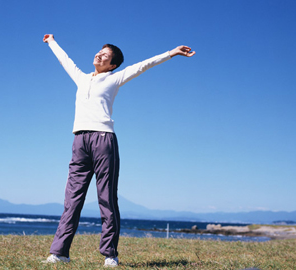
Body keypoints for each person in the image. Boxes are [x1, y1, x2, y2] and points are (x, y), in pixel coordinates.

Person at [42, 34, 195, 267]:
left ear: (112, 64)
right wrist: (52, 41)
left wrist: (172, 52)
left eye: (105, 55)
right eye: (99, 51)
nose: (99, 55)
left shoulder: (114, 78)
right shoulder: (82, 78)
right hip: (79, 141)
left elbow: (144, 65)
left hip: (104, 140)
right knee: (71, 200)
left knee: (106, 198)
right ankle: (60, 252)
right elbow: (65, 60)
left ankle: (110, 254)